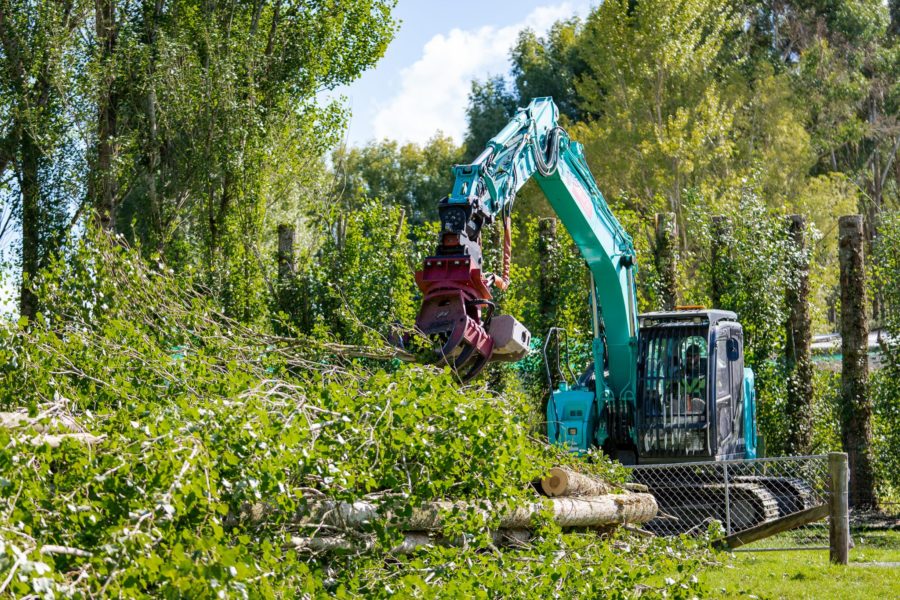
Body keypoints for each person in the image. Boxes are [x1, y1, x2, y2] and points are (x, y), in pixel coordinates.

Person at [683, 343, 706, 414]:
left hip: (705, 400)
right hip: (690, 402)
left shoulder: (706, 364)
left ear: (698, 356)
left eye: (692, 355)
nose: (689, 358)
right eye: (688, 355)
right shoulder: (685, 368)